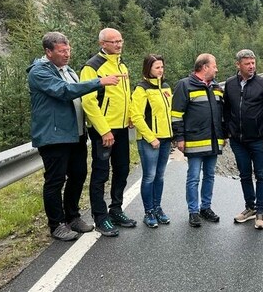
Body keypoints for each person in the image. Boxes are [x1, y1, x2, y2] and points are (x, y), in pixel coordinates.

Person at [27, 32, 122, 241]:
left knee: (78, 175)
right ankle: (56, 224)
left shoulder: (68, 70)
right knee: (55, 181)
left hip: (75, 135)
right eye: (62, 51)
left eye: (68, 50)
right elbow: (65, 91)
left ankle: (73, 217)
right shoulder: (39, 72)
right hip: (54, 137)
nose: (67, 54)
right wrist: (99, 82)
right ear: (48, 52)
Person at [80, 28, 136, 237]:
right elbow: (88, 101)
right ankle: (100, 217)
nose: (119, 45)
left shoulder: (122, 64)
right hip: (103, 130)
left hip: (121, 129)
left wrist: (130, 115)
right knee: (101, 174)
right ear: (102, 43)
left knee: (122, 170)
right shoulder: (92, 67)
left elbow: (126, 95)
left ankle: (116, 210)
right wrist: (104, 130)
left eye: (120, 41)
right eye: (114, 42)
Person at [171, 53, 225, 228]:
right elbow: (176, 115)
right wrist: (179, 137)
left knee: (209, 176)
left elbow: (221, 115)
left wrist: (223, 136)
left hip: (213, 141)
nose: (216, 69)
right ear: (205, 67)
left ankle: (205, 208)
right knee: (193, 177)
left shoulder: (216, 87)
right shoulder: (184, 85)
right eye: (214, 65)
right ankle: (193, 211)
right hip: (194, 141)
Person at [223, 49, 263, 230]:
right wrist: (228, 131)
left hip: (259, 140)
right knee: (244, 175)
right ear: (238, 65)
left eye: (253, 63)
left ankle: (260, 211)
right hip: (238, 140)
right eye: (247, 63)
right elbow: (226, 110)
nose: (251, 66)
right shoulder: (230, 84)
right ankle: (250, 208)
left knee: (261, 175)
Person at [130, 54, 173, 228]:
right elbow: (137, 116)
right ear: (148, 68)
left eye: (162, 67)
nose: (160, 70)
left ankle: (158, 208)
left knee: (160, 176)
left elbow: (170, 113)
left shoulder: (166, 87)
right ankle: (148, 212)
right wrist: (151, 137)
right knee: (149, 176)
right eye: (157, 67)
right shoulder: (142, 89)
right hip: (149, 140)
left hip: (165, 138)